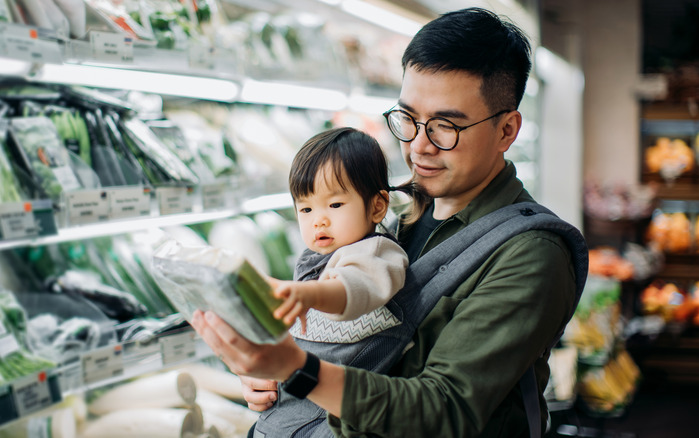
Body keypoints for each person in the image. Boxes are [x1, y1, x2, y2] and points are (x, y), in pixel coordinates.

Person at [191, 7, 587, 437]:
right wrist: (274, 377)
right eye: (408, 119)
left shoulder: (531, 254)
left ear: (507, 131)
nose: (419, 146)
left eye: (445, 127)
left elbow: (445, 409)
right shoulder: (393, 209)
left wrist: (299, 370)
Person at [253, 126, 408, 436]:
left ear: (377, 205)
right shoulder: (313, 258)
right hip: (294, 407)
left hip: (333, 418)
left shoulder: (376, 252)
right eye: (306, 209)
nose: (318, 220)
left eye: (335, 205)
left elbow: (352, 287)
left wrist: (308, 293)